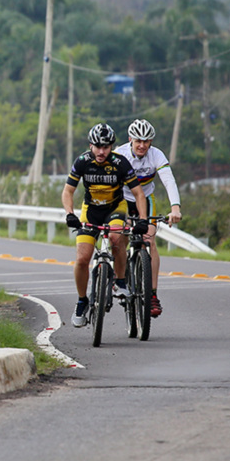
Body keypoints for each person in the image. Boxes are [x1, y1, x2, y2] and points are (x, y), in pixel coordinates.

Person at [62, 123, 148, 328]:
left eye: (106, 147)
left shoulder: (120, 163)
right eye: (98, 147)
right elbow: (68, 191)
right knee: (82, 258)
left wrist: (143, 219)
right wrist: (70, 214)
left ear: (111, 146)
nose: (101, 152)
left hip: (114, 210)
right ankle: (82, 301)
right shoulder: (82, 161)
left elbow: (138, 194)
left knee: (117, 238)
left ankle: (119, 282)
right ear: (91, 145)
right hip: (90, 211)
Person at [115, 119, 182, 317]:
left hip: (146, 199)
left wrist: (175, 208)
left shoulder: (156, 155)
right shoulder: (120, 154)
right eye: (138, 141)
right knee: (120, 238)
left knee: (149, 241)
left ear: (151, 141)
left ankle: (152, 295)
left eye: (146, 141)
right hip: (123, 199)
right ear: (130, 140)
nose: (142, 145)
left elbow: (169, 181)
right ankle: (120, 276)